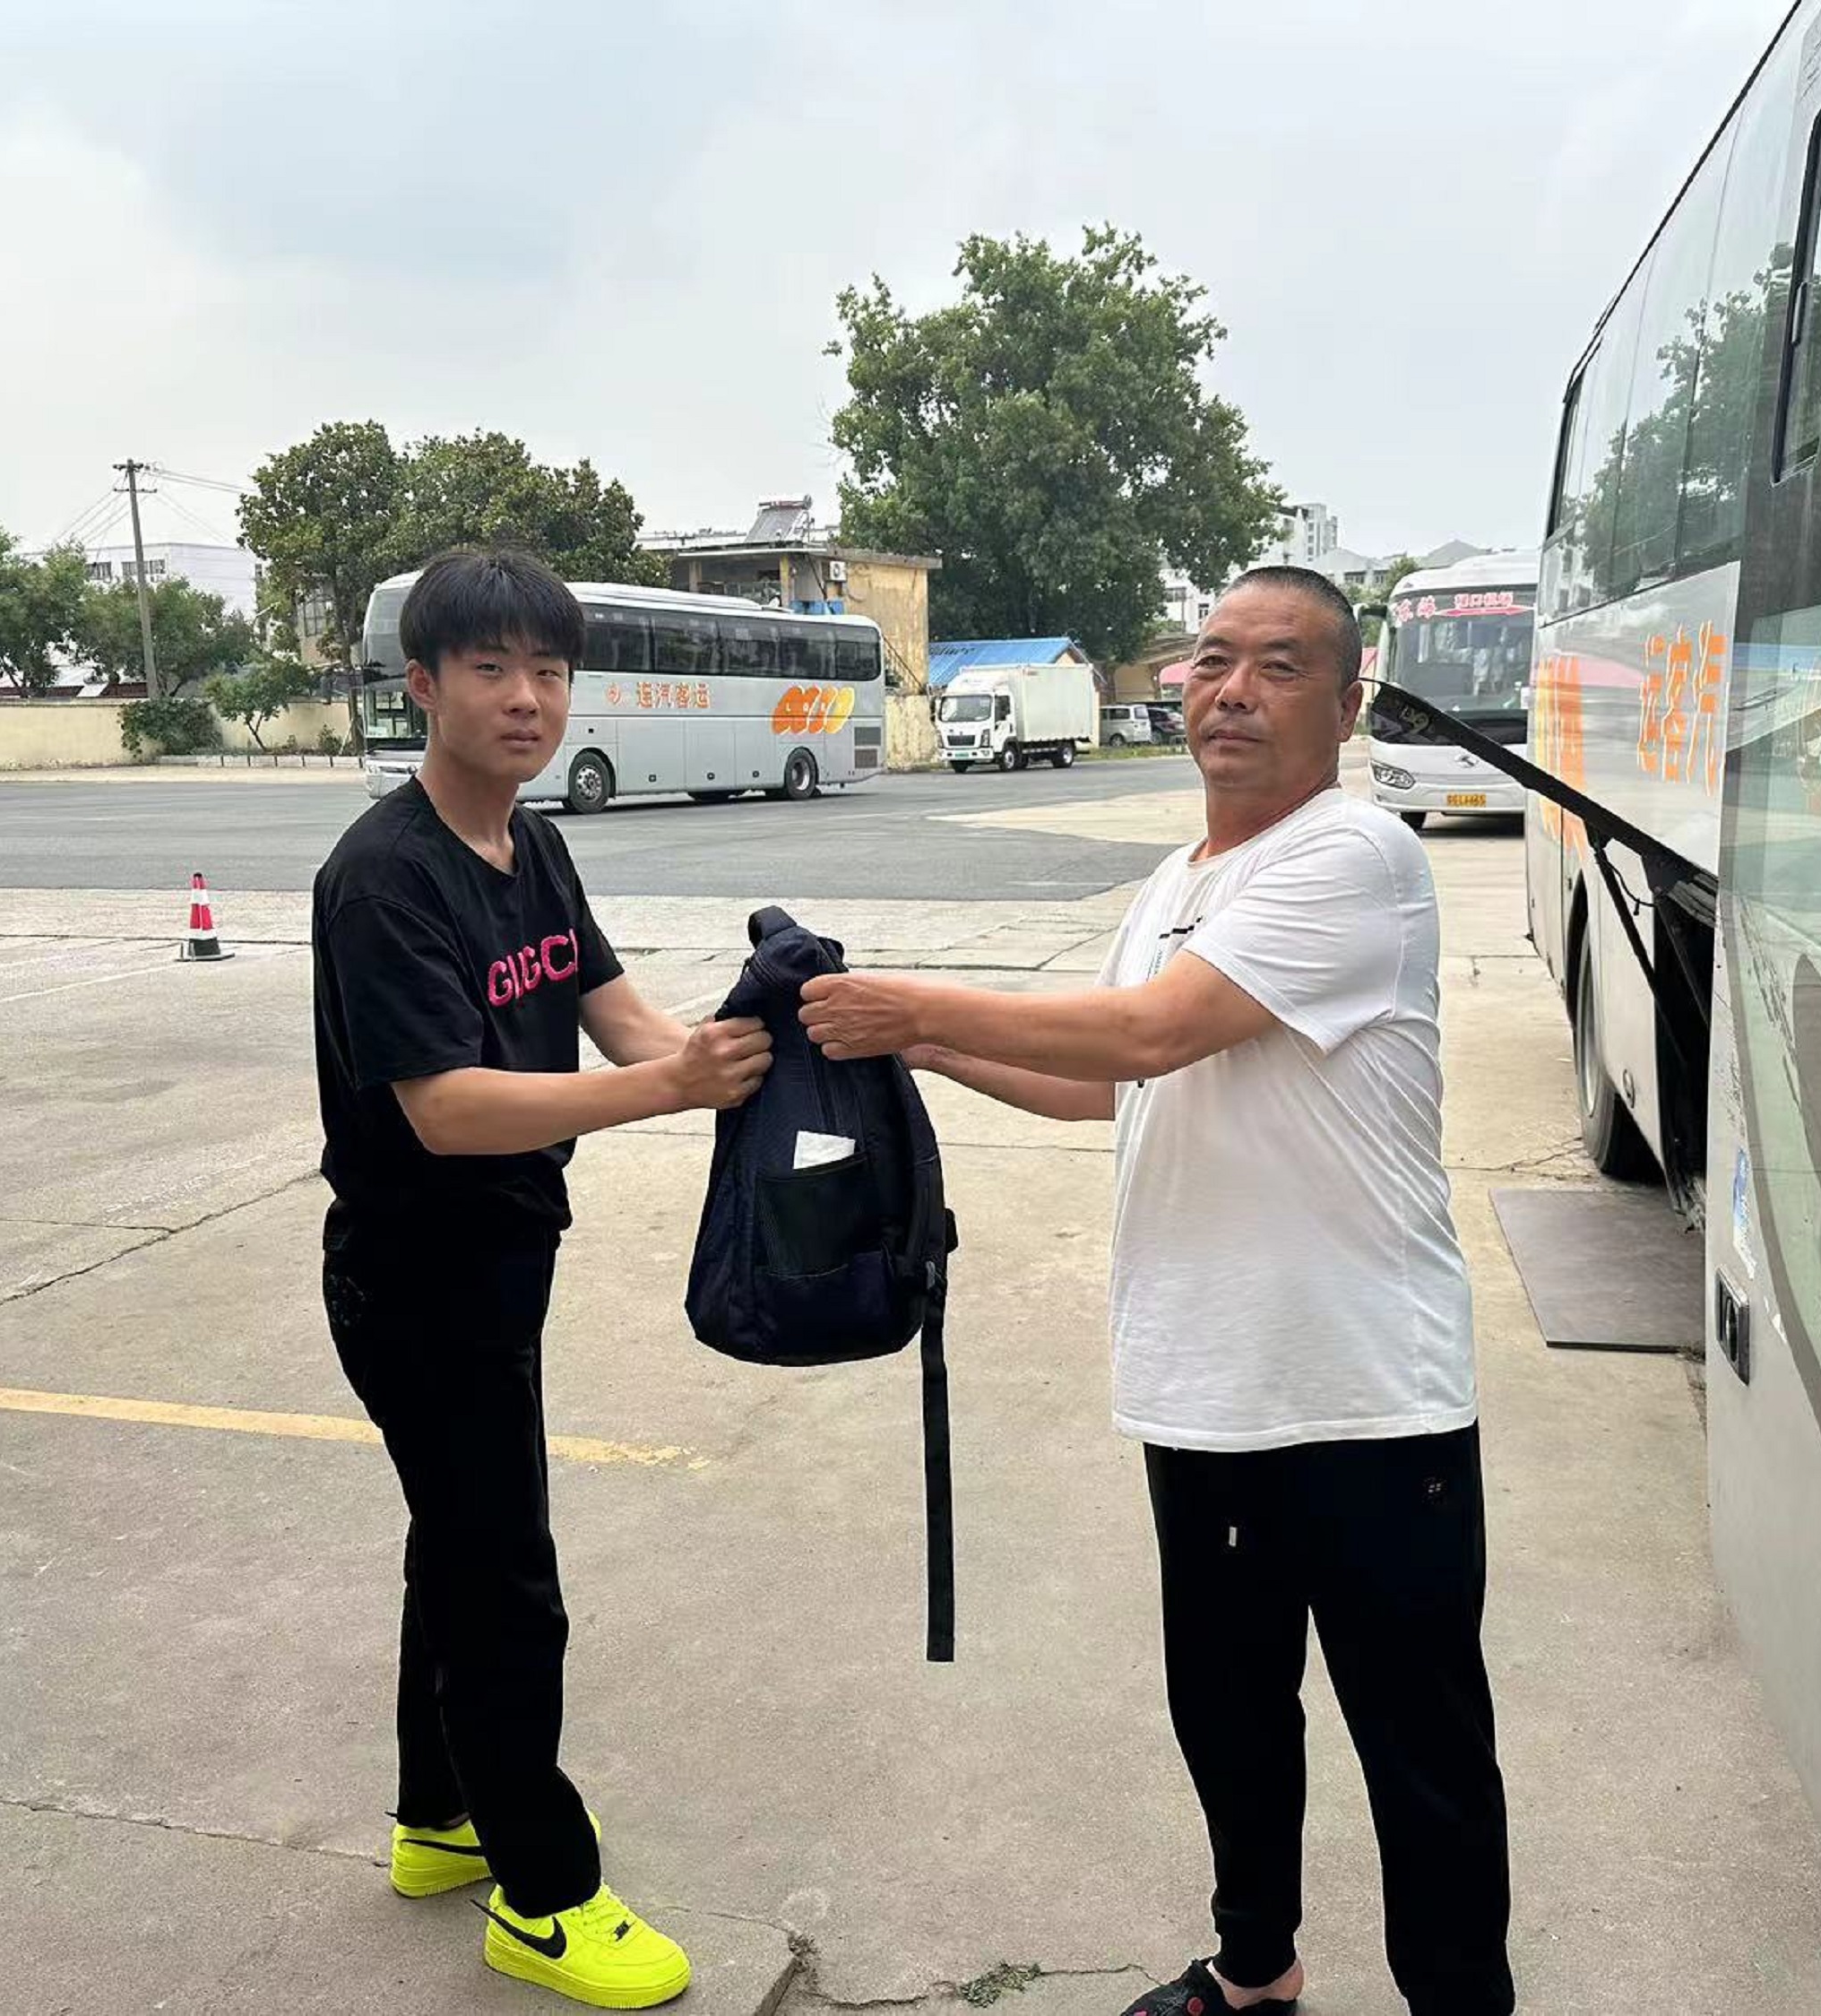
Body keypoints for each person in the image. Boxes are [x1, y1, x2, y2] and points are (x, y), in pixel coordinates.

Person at [798, 566, 1513, 2015]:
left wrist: (913, 999)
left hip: (1366, 1398)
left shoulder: (1359, 855)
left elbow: (1149, 1033)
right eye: (1212, 659)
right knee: (1229, 1714)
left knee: (1420, 1749)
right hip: (1205, 1388)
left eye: (1280, 666)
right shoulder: (1176, 884)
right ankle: (1256, 1971)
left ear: (1348, 703)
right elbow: (1109, 1082)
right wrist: (913, 1050)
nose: (1233, 689)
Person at [312, 546, 770, 2007]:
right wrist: (669, 1090)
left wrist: (733, 1062)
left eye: (551, 671)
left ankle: (438, 1816)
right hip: (417, 1277)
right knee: (505, 1580)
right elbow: (445, 1108)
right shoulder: (385, 876)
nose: (528, 697)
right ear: (423, 684)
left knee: (456, 1545)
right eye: (493, 668)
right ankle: (544, 1892)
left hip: (506, 1261)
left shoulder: (535, 845)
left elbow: (613, 1007)